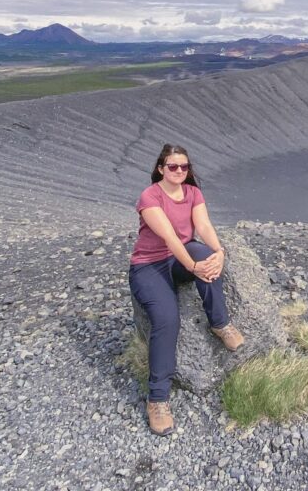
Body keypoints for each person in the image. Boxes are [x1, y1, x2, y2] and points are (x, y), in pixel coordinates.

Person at [128, 142, 245, 436]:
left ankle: (220, 324)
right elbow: (169, 238)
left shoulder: (193, 193)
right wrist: (195, 267)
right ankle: (157, 400)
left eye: (184, 166)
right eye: (172, 166)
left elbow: (202, 226)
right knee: (167, 321)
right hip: (149, 266)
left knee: (207, 257)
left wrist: (218, 253)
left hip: (180, 258)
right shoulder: (150, 196)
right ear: (160, 169)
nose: (179, 171)